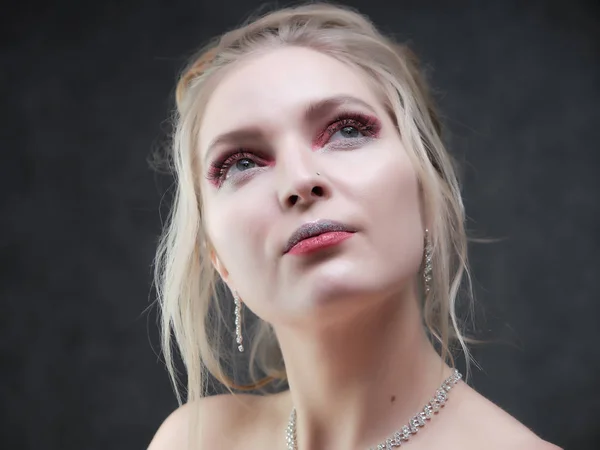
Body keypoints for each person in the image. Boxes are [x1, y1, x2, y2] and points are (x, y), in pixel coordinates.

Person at [148, 3, 560, 449]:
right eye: (241, 163)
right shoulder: (191, 440)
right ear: (218, 257)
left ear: (427, 193)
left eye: (346, 131)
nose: (301, 181)